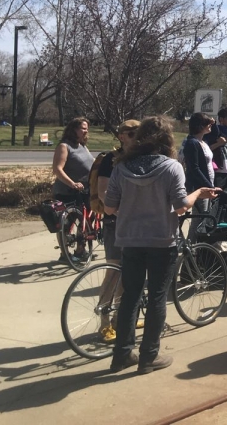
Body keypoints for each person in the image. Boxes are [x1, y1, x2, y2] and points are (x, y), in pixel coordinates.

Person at [104, 115, 219, 374]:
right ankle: (149, 356)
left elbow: (109, 207)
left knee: (130, 296)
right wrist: (199, 193)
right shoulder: (171, 167)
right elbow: (181, 206)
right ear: (167, 139)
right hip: (161, 240)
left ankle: (122, 355)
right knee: (157, 296)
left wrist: (131, 209)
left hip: (130, 240)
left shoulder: (122, 167)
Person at [87, 119, 139, 342]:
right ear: (121, 136)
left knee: (129, 273)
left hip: (135, 223)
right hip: (114, 222)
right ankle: (104, 322)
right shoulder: (111, 159)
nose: (137, 138)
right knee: (113, 271)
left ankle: (121, 317)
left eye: (140, 134)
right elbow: (103, 192)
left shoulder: (138, 158)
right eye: (132, 134)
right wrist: (121, 214)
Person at [52, 117, 95, 261]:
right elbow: (57, 169)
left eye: (87, 128)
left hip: (84, 190)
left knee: (85, 221)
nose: (86, 131)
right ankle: (65, 254)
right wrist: (72, 183)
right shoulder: (64, 146)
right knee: (66, 224)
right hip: (67, 191)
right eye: (83, 128)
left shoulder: (82, 146)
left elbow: (91, 163)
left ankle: (80, 251)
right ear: (73, 129)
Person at [181, 112, 215, 240]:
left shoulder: (202, 142)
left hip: (206, 184)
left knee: (204, 218)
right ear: (200, 126)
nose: (210, 125)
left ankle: (198, 247)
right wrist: (209, 185)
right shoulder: (192, 143)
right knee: (199, 220)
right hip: (198, 187)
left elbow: (216, 131)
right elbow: (194, 168)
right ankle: (190, 247)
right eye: (207, 123)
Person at [204, 106, 227, 187]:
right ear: (221, 119)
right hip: (218, 170)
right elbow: (205, 149)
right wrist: (218, 144)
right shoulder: (214, 132)